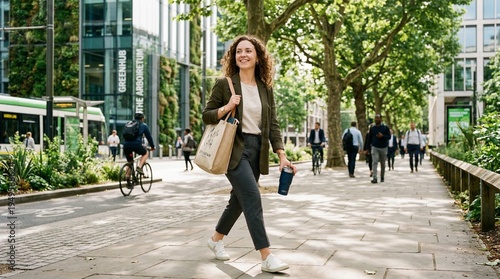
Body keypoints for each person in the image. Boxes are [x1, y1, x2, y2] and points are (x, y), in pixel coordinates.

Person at [202, 35, 296, 273]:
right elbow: (207, 115)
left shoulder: (265, 87)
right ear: (234, 57)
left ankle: (215, 240)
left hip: (257, 151)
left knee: (239, 200)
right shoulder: (226, 84)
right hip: (234, 149)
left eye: (248, 51)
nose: (243, 55)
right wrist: (227, 107)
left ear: (257, 57)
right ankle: (266, 255)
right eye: (238, 51)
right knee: (253, 197)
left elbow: (272, 123)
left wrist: (281, 154)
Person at [123, 112, 155, 178]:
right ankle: (139, 167)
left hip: (126, 145)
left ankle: (127, 177)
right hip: (136, 145)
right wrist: (152, 147)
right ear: (142, 119)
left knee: (130, 162)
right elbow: (149, 137)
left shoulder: (128, 124)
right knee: (145, 153)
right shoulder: (143, 125)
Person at [365, 114, 390, 183]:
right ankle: (375, 177)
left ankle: (382, 176)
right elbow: (369, 138)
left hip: (383, 147)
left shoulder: (385, 127)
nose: (376, 120)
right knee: (374, 162)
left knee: (383, 163)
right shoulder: (372, 127)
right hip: (375, 147)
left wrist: (383, 136)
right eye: (375, 118)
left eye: (378, 118)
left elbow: (389, 137)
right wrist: (367, 148)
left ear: (381, 119)